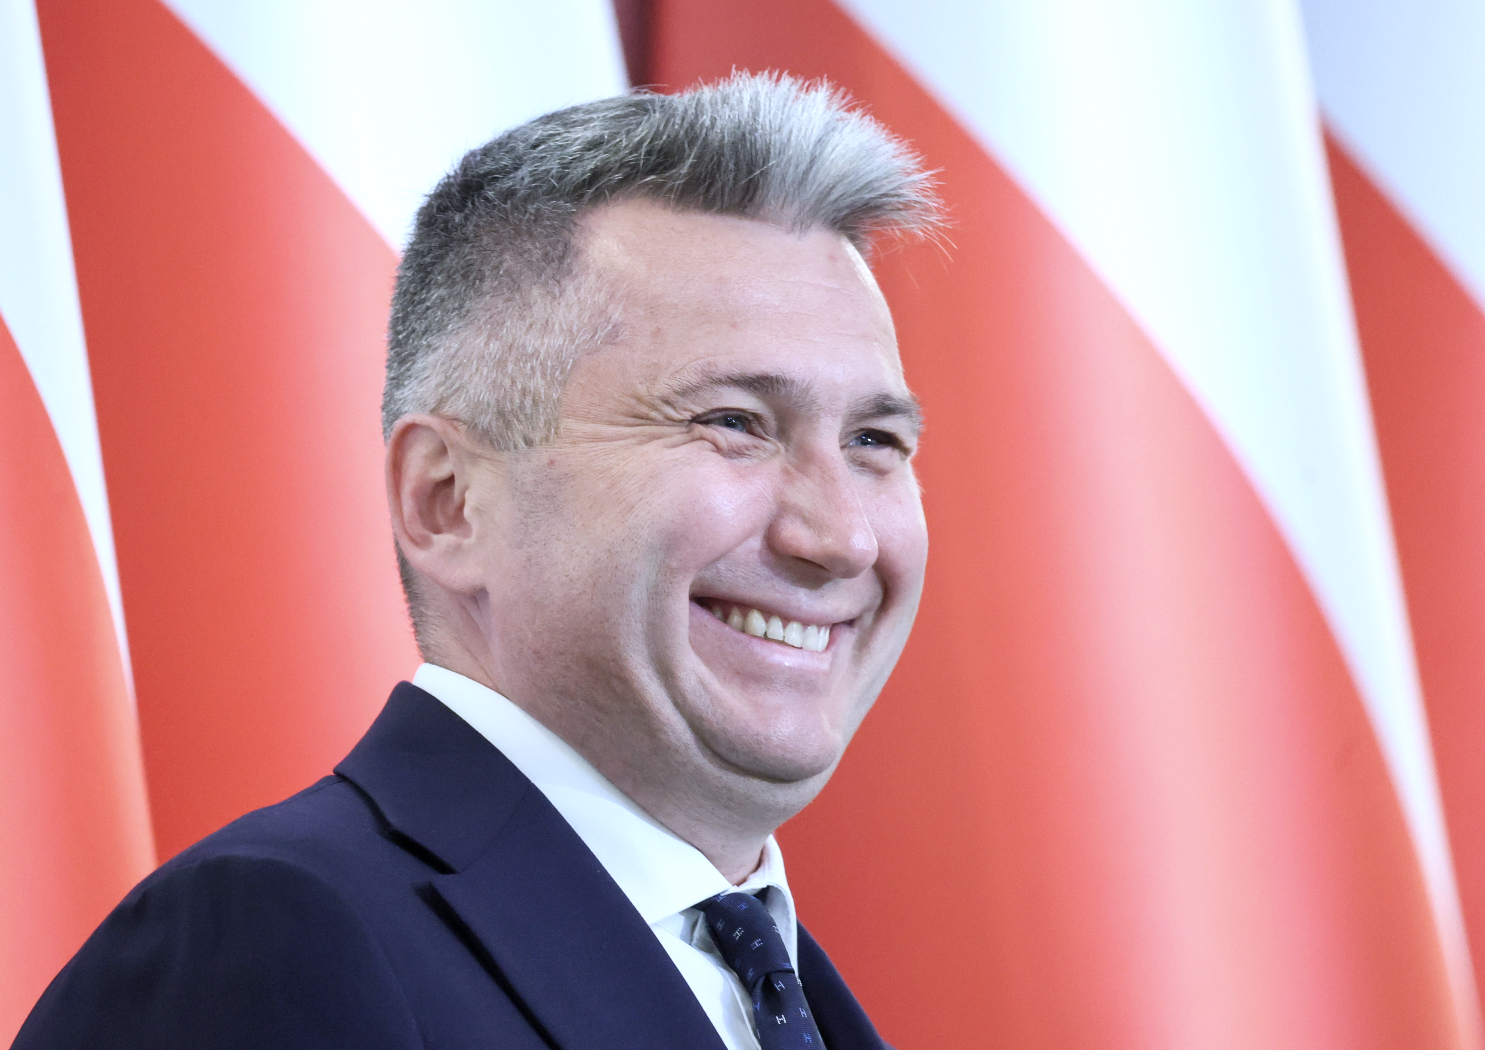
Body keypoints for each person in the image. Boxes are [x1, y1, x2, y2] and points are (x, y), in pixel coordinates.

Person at [13, 72, 938, 1050]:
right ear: (447, 501)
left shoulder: (786, 994)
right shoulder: (266, 943)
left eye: (874, 441)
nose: (842, 537)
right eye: (734, 423)